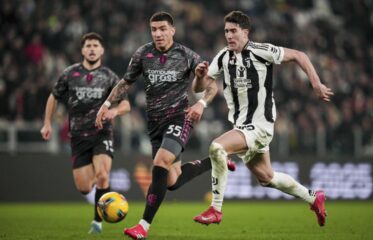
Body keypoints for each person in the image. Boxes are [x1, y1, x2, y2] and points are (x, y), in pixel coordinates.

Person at [95, 12, 235, 239]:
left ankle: (143, 226)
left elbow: (211, 87)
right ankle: (216, 161)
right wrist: (107, 103)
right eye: (154, 29)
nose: (158, 33)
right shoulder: (143, 53)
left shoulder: (186, 55)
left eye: (162, 29)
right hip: (155, 125)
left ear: (172, 30)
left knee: (160, 163)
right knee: (172, 181)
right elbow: (125, 83)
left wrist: (200, 103)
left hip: (180, 118)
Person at [193, 11, 334, 227]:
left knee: (217, 148)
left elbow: (299, 55)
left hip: (259, 126)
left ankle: (216, 209)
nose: (229, 36)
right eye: (226, 31)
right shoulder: (223, 57)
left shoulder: (260, 51)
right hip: (242, 126)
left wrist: (316, 83)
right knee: (267, 178)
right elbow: (199, 88)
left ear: (245, 32)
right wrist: (199, 76)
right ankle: (314, 198)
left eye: (233, 31)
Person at [40, 32, 131, 234]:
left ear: (102, 50)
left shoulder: (109, 76)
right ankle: (100, 198)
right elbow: (53, 97)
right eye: (88, 45)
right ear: (82, 50)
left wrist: (115, 111)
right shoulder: (69, 74)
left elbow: (126, 104)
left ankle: (97, 222)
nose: (91, 48)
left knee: (102, 175)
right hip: (78, 136)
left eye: (95, 45)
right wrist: (47, 123)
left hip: (102, 133)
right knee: (83, 187)